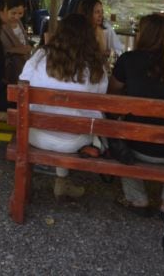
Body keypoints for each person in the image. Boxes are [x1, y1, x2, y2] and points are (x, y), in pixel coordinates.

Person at [110, 14, 164, 215]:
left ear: (144, 34)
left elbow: (112, 95)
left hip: (141, 149)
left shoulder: (129, 60)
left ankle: (136, 198)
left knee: (118, 131)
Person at [20, 13, 109, 198]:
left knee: (59, 114)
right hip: (74, 141)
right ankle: (62, 180)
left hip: (35, 134)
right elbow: (101, 99)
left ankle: (62, 180)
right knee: (81, 117)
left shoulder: (40, 56)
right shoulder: (95, 66)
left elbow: (22, 83)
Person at [0, 0, 32, 85]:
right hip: (9, 71)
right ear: (5, 10)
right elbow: (1, 50)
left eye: (20, 13)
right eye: (13, 13)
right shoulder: (1, 27)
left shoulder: (19, 23)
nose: (17, 16)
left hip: (23, 66)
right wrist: (17, 50)